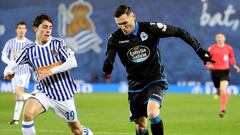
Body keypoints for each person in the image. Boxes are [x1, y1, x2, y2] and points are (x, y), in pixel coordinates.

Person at [103, 5, 214, 135]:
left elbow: (179, 32)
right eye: (119, 24)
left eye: (125, 23)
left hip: (154, 79)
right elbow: (109, 56)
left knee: (153, 114)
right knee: (140, 126)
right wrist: (108, 65)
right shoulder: (115, 38)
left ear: (133, 17)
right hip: (135, 85)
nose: (123, 27)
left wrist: (199, 50)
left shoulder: (150, 28)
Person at [3, 14, 87, 135]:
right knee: (27, 114)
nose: (48, 30)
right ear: (36, 28)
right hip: (44, 92)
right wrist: (7, 73)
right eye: (45, 27)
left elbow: (73, 62)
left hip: (63, 94)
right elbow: (11, 64)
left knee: (76, 130)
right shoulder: (29, 50)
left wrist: (51, 71)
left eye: (50, 27)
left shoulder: (58, 43)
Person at [1, 21, 32, 125]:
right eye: (20, 28)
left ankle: (16, 120)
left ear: (26, 30)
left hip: (24, 72)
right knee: (18, 96)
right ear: (16, 30)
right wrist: (10, 63)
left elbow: (32, 58)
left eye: (23, 28)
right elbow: (4, 55)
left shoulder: (29, 44)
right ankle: (35, 96)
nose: (21, 30)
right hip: (13, 73)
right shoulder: (10, 43)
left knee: (19, 94)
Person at [206, 33, 240, 117]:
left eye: (221, 37)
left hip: (225, 71)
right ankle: (218, 92)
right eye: (218, 37)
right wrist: (208, 65)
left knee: (223, 89)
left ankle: (222, 109)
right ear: (216, 39)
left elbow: (231, 58)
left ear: (224, 38)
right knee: (218, 89)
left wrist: (235, 66)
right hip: (214, 72)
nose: (220, 39)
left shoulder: (229, 48)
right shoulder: (212, 48)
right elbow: (206, 59)